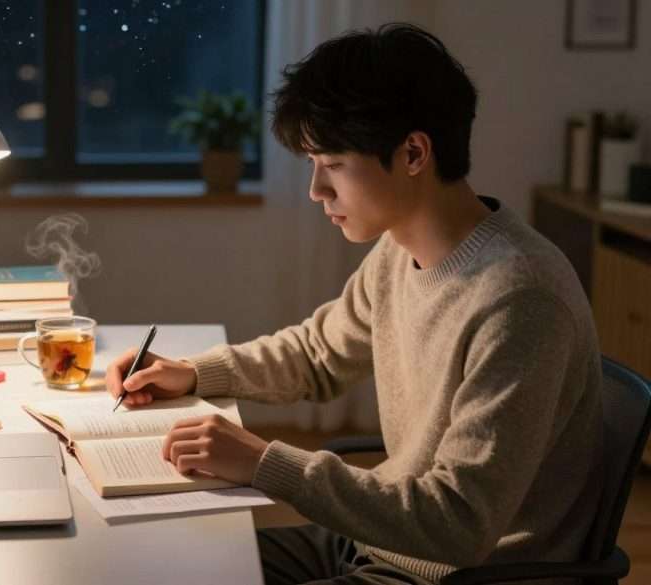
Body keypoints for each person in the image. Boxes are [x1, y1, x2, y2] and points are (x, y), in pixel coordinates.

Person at [105, 23, 603, 585]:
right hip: (380, 544)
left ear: (414, 152)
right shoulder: (401, 248)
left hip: (452, 573)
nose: (317, 190)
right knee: (164, 566)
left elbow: (459, 524)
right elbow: (318, 355)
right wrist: (194, 373)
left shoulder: (520, 299)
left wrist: (265, 462)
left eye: (334, 165)